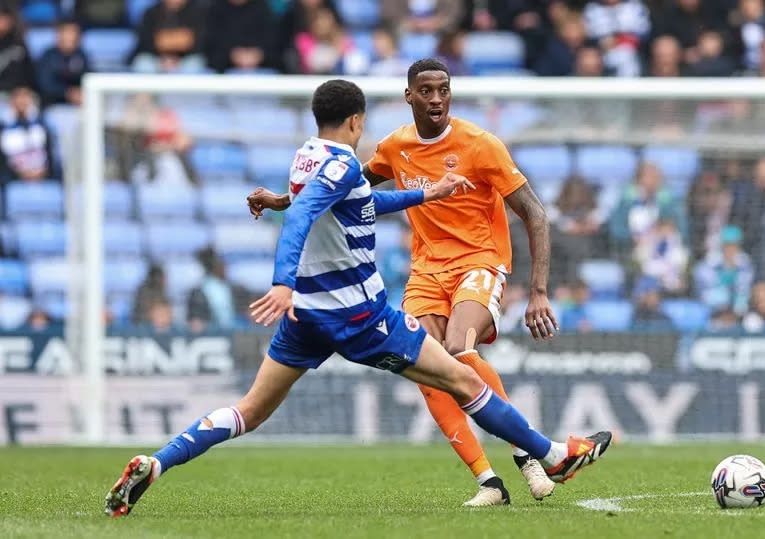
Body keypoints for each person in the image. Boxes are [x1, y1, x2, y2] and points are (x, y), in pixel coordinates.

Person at [104, 79, 612, 518]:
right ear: (356, 120)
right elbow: (304, 216)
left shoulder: (306, 155)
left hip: (309, 315)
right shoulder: (345, 163)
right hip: (360, 315)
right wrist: (281, 280)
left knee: (250, 411)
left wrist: (426, 193)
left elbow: (354, 202)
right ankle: (549, 456)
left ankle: (159, 461)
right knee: (461, 376)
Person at [248, 59, 573, 507]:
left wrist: (538, 292)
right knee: (426, 368)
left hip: (479, 259)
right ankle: (489, 483)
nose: (436, 99)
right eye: (426, 91)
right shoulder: (396, 146)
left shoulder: (482, 145)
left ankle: (528, 453)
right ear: (409, 96)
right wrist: (281, 200)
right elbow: (336, 186)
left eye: (443, 90)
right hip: (426, 268)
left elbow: (536, 213)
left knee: (460, 348)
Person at [129, 0, 206, 73]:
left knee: (194, 64)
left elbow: (199, 43)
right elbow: (144, 42)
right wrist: (165, 57)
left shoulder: (198, 13)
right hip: (157, 59)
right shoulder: (151, 13)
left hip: (185, 59)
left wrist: (165, 42)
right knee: (143, 63)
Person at [205, 0, 282, 73]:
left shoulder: (263, 9)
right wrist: (232, 55)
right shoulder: (215, 10)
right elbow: (210, 48)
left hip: (262, 71)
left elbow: (275, 47)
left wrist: (258, 55)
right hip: (223, 72)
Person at [187, 247, 252, 332]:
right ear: (213, 265)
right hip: (211, 334)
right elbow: (195, 319)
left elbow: (246, 310)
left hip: (237, 331)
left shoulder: (235, 288)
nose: (225, 266)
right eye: (221, 263)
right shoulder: (198, 292)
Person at [0, 86, 54, 183]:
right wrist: (20, 173)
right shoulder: (4, 126)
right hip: (12, 178)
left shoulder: (42, 123)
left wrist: (43, 172)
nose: (21, 101)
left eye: (25, 97)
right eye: (18, 97)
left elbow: (49, 152)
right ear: (12, 101)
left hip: (42, 174)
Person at [36, 18, 91, 106]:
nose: (71, 36)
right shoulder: (48, 56)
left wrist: (80, 93)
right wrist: (67, 93)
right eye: (67, 32)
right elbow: (45, 84)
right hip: (52, 105)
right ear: (59, 34)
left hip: (78, 105)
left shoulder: (82, 55)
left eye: (74, 32)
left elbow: (88, 78)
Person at [0, 3, 36, 92]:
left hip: (16, 93)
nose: (1, 22)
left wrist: (22, 90)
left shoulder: (18, 44)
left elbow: (28, 72)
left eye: (4, 18)